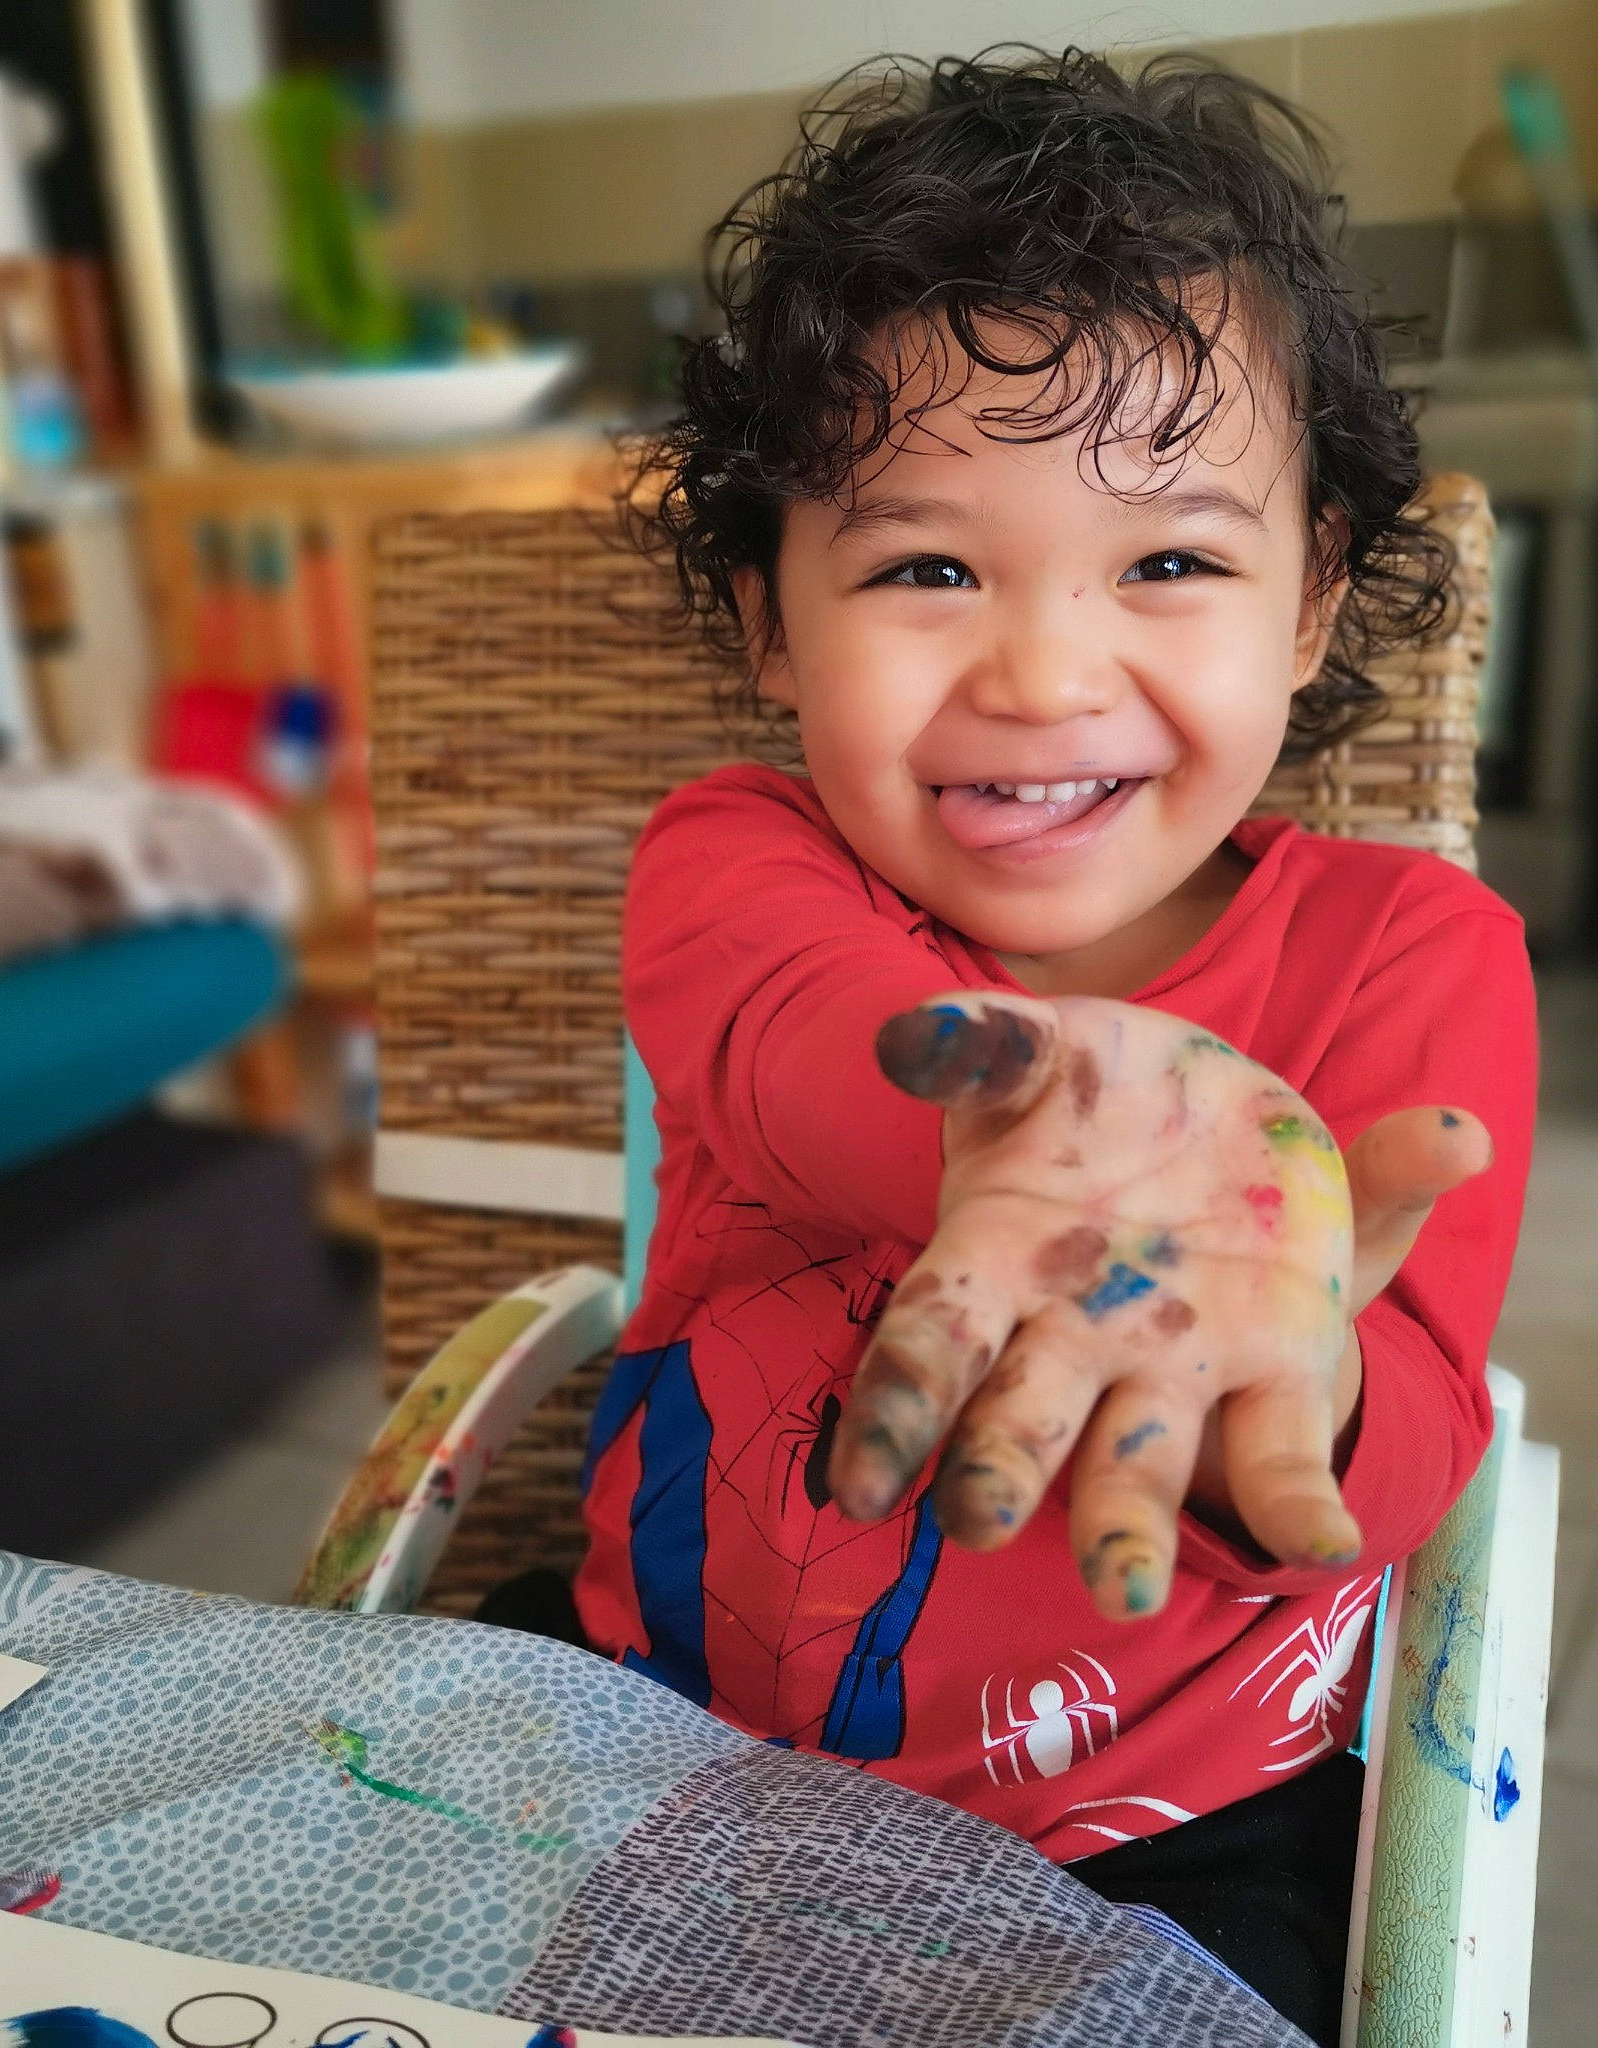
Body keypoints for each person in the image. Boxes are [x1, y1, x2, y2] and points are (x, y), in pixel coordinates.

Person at [481, 49, 1536, 2045]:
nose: (1044, 671)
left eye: (1170, 561)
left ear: (1309, 602)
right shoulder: (741, 860)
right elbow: (800, 1039)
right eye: (924, 566)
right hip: (656, 1730)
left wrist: (1291, 1380)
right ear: (772, 624)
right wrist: (1024, 1124)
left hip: (1164, 1819)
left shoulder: (1414, 954)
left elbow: (1407, 1421)